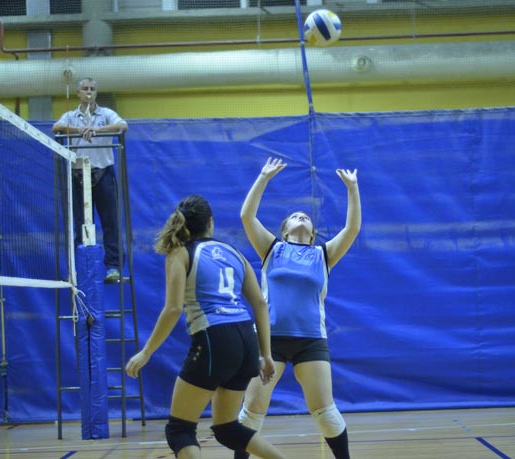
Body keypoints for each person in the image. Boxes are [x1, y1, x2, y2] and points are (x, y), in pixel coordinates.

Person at [125, 195, 286, 459]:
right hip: (247, 339)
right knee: (227, 429)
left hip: (215, 337)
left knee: (179, 430)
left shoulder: (180, 252)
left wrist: (146, 352)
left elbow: (173, 308)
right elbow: (259, 302)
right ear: (210, 223)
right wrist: (265, 354)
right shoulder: (234, 253)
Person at [234, 157, 361, 459]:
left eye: (306, 216)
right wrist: (263, 177)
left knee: (326, 413)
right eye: (294, 216)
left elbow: (352, 228)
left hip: (311, 343)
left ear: (313, 232)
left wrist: (353, 189)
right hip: (269, 340)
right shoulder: (272, 249)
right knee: (251, 412)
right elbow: (246, 216)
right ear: (286, 231)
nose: (301, 216)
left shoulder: (323, 254)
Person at [52, 77, 128, 283]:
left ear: (96, 92)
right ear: (78, 93)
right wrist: (79, 131)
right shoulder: (70, 115)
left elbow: (123, 125)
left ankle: (113, 268)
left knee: (111, 222)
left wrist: (96, 130)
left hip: (103, 173)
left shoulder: (106, 114)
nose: (89, 92)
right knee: (81, 225)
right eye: (85, 88)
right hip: (78, 175)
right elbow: (56, 128)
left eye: (92, 89)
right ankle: (82, 269)